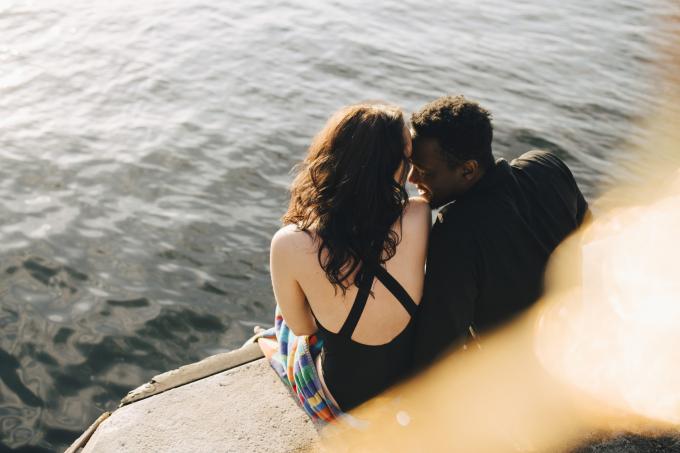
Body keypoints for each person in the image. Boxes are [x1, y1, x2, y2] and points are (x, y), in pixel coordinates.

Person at [270, 103, 430, 411]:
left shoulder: (290, 244)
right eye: (407, 157)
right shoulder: (420, 213)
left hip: (348, 396)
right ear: (393, 165)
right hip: (407, 380)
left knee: (286, 314)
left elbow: (304, 328)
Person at [409, 95, 588, 369]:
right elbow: (593, 237)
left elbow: (438, 346)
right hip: (580, 342)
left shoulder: (456, 229)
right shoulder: (547, 166)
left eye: (424, 171)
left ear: (468, 170)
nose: (412, 178)